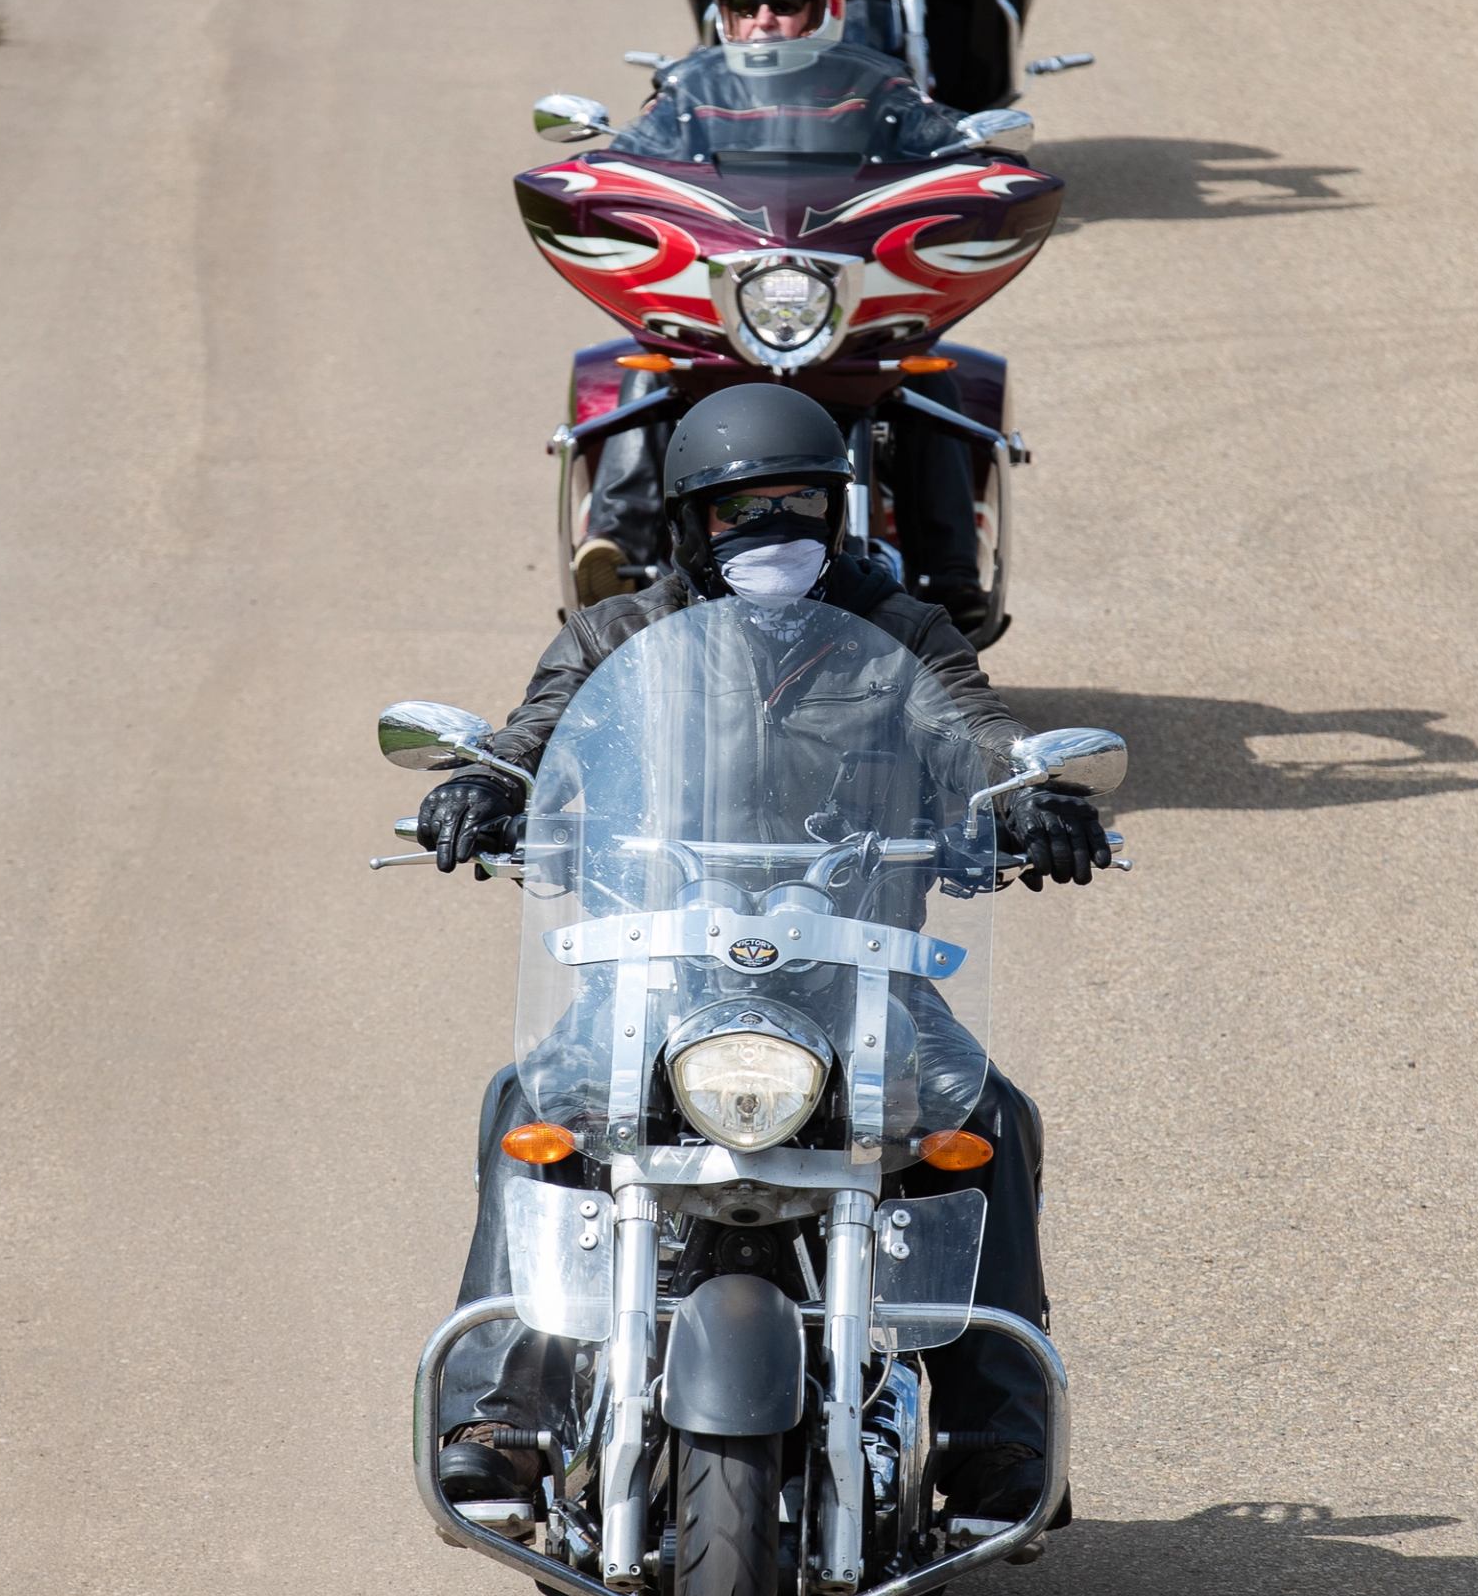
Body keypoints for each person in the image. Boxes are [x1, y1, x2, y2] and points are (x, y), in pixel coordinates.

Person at [421, 384, 1111, 1530]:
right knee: (532, 1101)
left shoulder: (901, 635)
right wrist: (487, 784)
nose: (773, 529)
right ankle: (500, 1413)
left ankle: (1001, 1438)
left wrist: (1033, 796)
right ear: (691, 521)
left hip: (856, 982)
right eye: (745, 508)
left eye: (799, 503)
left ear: (842, 512)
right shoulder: (618, 635)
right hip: (659, 977)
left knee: (985, 1119)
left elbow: (976, 733)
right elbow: (535, 733)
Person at [568, 0, 993, 626]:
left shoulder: (884, 94)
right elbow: (623, 167)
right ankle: (616, 548)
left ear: (824, 7)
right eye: (745, 3)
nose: (764, 19)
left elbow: (953, 158)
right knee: (652, 351)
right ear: (721, 14)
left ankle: (950, 575)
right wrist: (598, 169)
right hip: (727, 308)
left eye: (786, 2)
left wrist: (976, 161)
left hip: (836, 306)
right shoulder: (684, 98)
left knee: (923, 369)